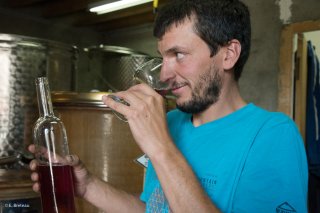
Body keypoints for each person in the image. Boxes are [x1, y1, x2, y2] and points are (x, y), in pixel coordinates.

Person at [29, 0, 308, 212]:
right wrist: (88, 185)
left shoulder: (272, 134)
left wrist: (160, 147)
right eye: (164, 56)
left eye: (179, 55)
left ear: (228, 54)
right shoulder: (172, 122)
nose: (163, 75)